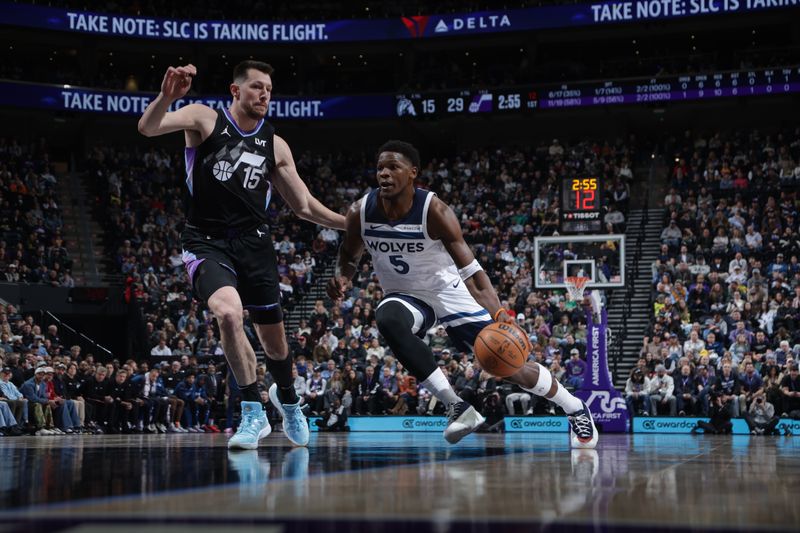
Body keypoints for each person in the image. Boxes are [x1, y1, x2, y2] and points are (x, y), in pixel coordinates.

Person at [327, 140, 597, 448]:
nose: (384, 174)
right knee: (387, 318)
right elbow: (348, 255)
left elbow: (472, 273)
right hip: (405, 295)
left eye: (393, 167)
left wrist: (501, 317)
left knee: (509, 365)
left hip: (448, 290)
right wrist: (343, 278)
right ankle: (456, 405)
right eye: (380, 168)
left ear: (413, 173)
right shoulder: (360, 211)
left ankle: (573, 406)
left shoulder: (435, 211)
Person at [139, 60, 345, 450]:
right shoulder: (204, 119)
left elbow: (303, 206)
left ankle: (288, 399)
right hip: (206, 241)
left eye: (268, 87)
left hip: (255, 246)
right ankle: (252, 409)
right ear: (235, 91)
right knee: (229, 314)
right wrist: (167, 97)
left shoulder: (275, 144)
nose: (264, 93)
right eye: (256, 87)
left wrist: (350, 223)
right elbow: (148, 127)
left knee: (275, 344)